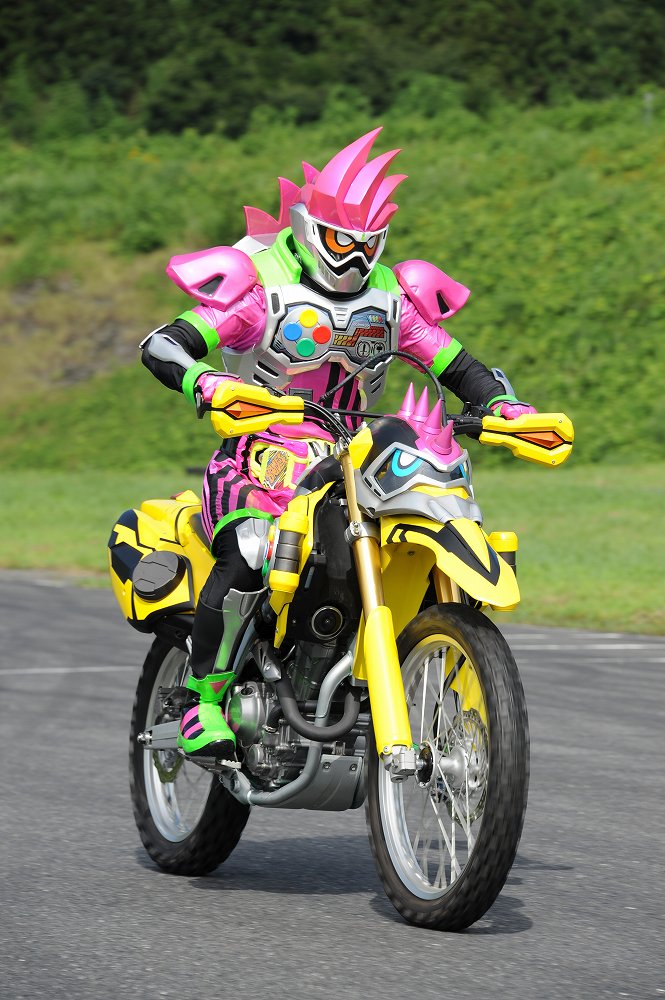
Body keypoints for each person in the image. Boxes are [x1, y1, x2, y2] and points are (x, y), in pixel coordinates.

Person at [141, 128, 536, 759]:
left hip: (355, 453)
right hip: (259, 452)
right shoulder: (257, 287)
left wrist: (501, 406)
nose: (354, 259)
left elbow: (455, 364)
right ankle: (201, 701)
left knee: (421, 528)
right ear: (307, 227)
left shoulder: (393, 296)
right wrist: (208, 383)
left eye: (368, 245)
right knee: (252, 547)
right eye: (341, 242)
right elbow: (165, 344)